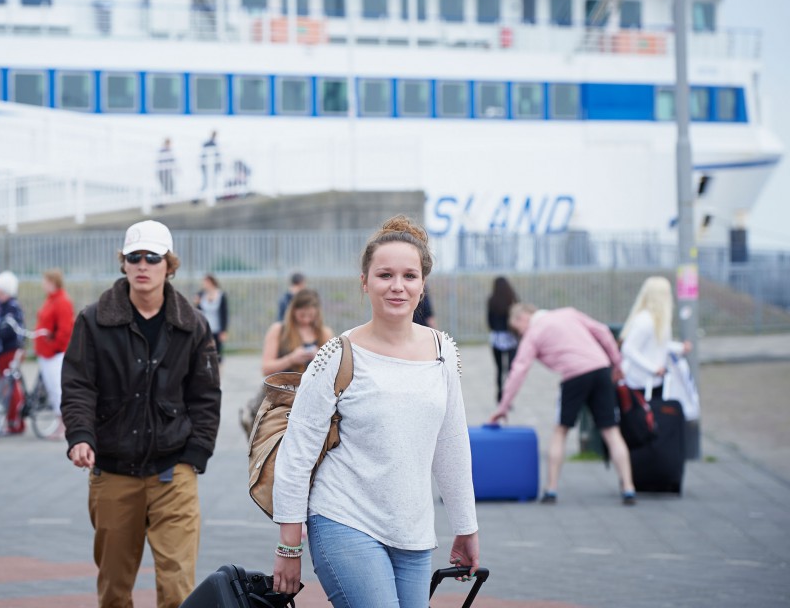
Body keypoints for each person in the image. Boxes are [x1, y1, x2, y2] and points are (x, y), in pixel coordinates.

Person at [271, 216, 479, 605]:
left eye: (409, 276)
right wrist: (289, 547)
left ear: (423, 285)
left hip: (414, 532)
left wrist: (465, 526)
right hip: (343, 519)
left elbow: (451, 442)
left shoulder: (443, 351)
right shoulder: (337, 354)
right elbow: (297, 451)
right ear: (364, 282)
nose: (398, 286)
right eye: (384, 275)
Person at [62, 219, 221, 608]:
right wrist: (80, 437)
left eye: (153, 257)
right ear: (124, 263)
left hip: (174, 472)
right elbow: (78, 385)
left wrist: (195, 456)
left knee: (179, 588)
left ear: (169, 265)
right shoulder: (94, 319)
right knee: (114, 589)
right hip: (113, 471)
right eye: (135, 257)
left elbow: (206, 396)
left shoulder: (192, 325)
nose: (143, 265)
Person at [489, 303, 637, 506]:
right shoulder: (569, 313)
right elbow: (602, 331)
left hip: (574, 376)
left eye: (517, 329)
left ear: (523, 317)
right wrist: (617, 364)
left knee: (560, 430)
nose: (519, 333)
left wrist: (503, 407)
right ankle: (628, 488)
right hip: (601, 369)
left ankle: (551, 489)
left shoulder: (534, 333)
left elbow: (518, 371)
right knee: (611, 430)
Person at [239, 289, 333, 438]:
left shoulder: (324, 333)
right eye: (302, 315)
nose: (306, 320)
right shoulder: (279, 330)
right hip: (281, 395)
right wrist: (292, 358)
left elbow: (333, 371)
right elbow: (266, 368)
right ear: (293, 310)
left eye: (310, 315)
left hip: (311, 397)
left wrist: (319, 358)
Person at [619, 277, 690, 400]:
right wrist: (653, 368)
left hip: (654, 381)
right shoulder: (645, 321)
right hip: (641, 382)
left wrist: (680, 348)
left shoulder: (658, 319)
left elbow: (661, 344)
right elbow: (628, 348)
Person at [34, 268, 74, 436]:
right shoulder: (51, 299)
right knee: (52, 390)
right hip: (46, 353)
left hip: (55, 354)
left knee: (58, 390)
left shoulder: (62, 301)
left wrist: (53, 347)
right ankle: (59, 423)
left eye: (46, 280)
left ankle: (64, 424)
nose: (43, 284)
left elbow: (65, 330)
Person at [0, 271, 26, 435]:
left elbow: (9, 329)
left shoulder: (11, 307)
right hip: (2, 351)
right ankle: (11, 420)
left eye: (0, 290)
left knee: (10, 388)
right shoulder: (1, 306)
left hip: (10, 351)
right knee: (6, 387)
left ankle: (14, 422)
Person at [486, 276, 520, 404]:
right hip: (511, 338)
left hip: (497, 338)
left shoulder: (491, 300)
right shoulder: (513, 299)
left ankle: (499, 395)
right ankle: (508, 397)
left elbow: (489, 320)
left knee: (499, 369)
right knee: (511, 369)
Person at [194, 274, 228, 362]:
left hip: (217, 328)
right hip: (205, 329)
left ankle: (218, 372)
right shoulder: (201, 295)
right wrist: (197, 303)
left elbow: (224, 313)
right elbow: (197, 312)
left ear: (211, 282)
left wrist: (224, 330)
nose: (204, 285)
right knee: (204, 352)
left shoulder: (221, 295)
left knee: (217, 353)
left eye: (205, 282)